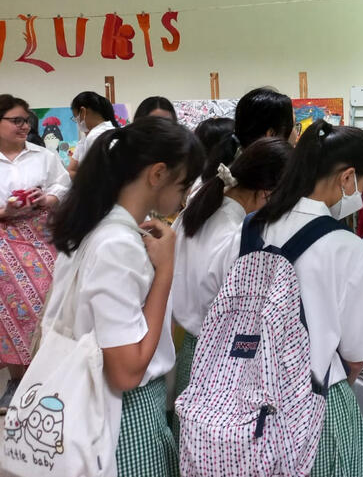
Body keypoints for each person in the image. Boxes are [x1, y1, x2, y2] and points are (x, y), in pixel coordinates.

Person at [45, 117, 203, 476]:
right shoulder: (118, 243)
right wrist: (165, 272)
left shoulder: (91, 224)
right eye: (184, 183)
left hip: (84, 404)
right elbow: (126, 371)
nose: (184, 195)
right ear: (157, 174)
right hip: (121, 417)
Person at [246, 119, 363, 476]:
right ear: (347, 178)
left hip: (250, 404)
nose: (361, 195)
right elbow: (356, 356)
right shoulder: (346, 248)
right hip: (317, 411)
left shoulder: (253, 225)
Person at [171, 137, 291, 434]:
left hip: (189, 351)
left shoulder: (194, 211)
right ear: (267, 193)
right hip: (226, 364)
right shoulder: (240, 236)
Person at [0, 95, 71, 411]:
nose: (24, 125)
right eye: (16, 120)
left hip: (42, 242)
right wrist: (5, 209)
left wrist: (47, 199)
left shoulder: (43, 156)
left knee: (44, 307)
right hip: (4, 248)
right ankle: (17, 382)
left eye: (26, 120)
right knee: (10, 313)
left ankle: (45, 382)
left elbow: (63, 184)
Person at [203, 86, 297, 183]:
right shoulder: (259, 181)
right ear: (271, 134)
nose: (296, 133)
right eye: (294, 125)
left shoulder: (232, 169)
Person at [68, 90, 121, 177]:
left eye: (75, 117)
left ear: (83, 112)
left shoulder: (95, 137)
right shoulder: (112, 132)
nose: (77, 122)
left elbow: (95, 177)